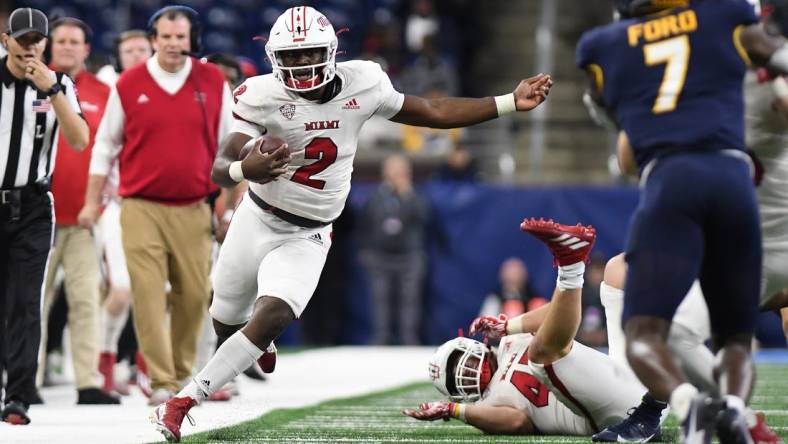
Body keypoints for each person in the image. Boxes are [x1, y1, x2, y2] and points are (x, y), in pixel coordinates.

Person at [150, 5, 552, 442]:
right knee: (226, 320)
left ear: (332, 51)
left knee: (274, 313)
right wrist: (247, 169)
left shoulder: (365, 82)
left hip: (309, 230)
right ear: (273, 58)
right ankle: (252, 346)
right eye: (292, 56)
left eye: (309, 55)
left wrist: (510, 102)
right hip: (258, 217)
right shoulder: (259, 94)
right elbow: (220, 164)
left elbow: (432, 110)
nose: (302, 65)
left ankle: (184, 400)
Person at [576, 1, 788, 441]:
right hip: (746, 220)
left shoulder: (702, 56)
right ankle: (711, 410)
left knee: (653, 326)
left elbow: (627, 158)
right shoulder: (735, 48)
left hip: (716, 213)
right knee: (624, 278)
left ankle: (697, 408)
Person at [80, 5, 233, 406]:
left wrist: (231, 206)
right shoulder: (129, 84)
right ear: (153, 40)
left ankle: (184, 372)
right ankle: (162, 380)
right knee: (146, 292)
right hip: (140, 205)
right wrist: (92, 202)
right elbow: (106, 146)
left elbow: (231, 147)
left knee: (195, 293)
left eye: (180, 37)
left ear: (192, 40)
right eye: (165, 37)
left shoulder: (213, 80)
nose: (172, 44)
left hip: (194, 204)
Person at [403, 219, 662, 438]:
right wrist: (455, 412)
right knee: (540, 356)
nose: (465, 370)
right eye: (455, 376)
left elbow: (556, 313)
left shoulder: (507, 342)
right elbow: (517, 422)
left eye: (461, 362)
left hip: (639, 384)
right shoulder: (488, 402)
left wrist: (507, 326)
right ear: (458, 395)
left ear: (470, 346)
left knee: (617, 269)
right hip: (616, 413)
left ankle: (693, 267)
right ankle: (571, 264)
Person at [0, 7, 89, 425]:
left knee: (25, 301)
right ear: (6, 41)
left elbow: (78, 140)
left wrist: (52, 91)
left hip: (33, 207)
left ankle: (18, 395)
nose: (29, 47)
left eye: (37, 40)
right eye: (22, 40)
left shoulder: (60, 85)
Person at [40, 16, 119, 405]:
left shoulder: (105, 92)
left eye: (75, 41)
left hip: (84, 216)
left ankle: (88, 382)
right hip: (37, 216)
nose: (68, 47)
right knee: (31, 303)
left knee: (87, 299)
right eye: (61, 40)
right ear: (49, 45)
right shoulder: (31, 86)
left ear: (87, 49)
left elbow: (116, 150)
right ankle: (26, 380)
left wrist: (104, 201)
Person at [89, 28, 152, 396]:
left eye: (142, 49)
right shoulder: (108, 88)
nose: (136, 55)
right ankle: (105, 357)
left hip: (158, 202)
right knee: (123, 287)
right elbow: (96, 145)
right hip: (116, 203)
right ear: (118, 56)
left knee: (160, 291)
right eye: (129, 50)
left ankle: (148, 366)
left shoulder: (168, 88)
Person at [359, 154, 430, 345]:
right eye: (395, 170)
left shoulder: (415, 196)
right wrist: (366, 250)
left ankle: (409, 338)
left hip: (409, 256)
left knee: (410, 300)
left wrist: (408, 195)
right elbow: (365, 224)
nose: (399, 175)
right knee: (380, 299)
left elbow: (424, 218)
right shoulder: (375, 196)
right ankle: (381, 337)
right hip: (380, 256)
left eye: (402, 171)